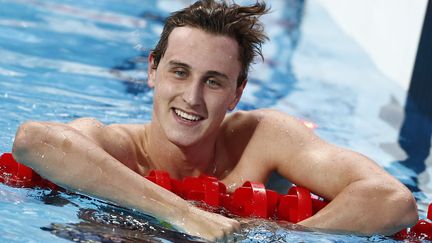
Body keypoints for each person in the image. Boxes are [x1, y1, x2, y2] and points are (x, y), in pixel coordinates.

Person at [12, 0, 418, 241]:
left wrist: (281, 237)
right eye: (179, 72)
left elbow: (393, 201)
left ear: (237, 93)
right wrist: (186, 215)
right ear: (153, 70)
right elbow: (34, 141)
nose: (192, 98)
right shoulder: (118, 148)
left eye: (213, 81)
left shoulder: (262, 138)